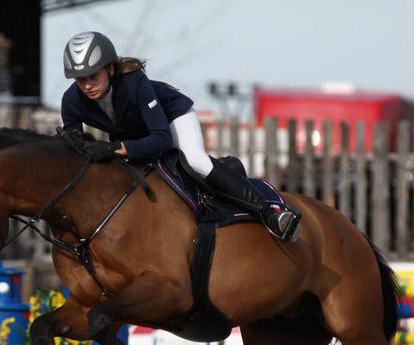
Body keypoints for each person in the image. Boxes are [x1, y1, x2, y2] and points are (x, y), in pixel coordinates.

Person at [60, 31, 301, 241]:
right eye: (81, 80)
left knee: (195, 161)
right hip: (135, 133)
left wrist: (113, 148)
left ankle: (269, 212)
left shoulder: (134, 82)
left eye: (93, 76)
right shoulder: (71, 102)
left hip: (171, 117)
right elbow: (74, 151)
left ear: (110, 69)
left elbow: (162, 139)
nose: (87, 85)